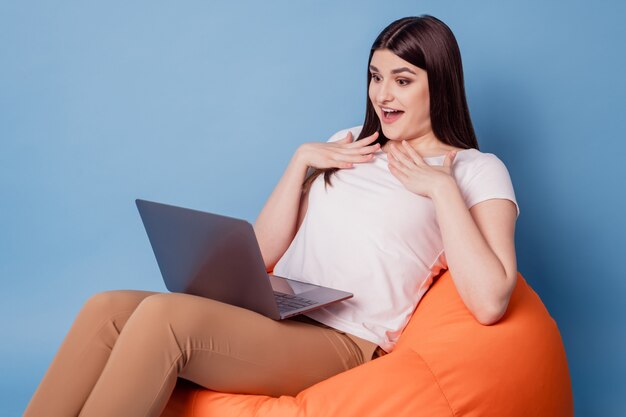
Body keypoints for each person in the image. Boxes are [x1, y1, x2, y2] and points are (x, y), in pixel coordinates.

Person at [23, 14, 519, 417]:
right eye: (375, 76)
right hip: (283, 307)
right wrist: (301, 162)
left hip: (345, 339)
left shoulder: (474, 170)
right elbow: (262, 253)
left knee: (163, 320)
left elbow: (491, 300)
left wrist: (439, 188)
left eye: (402, 80)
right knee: (106, 307)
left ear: (441, 84)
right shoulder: (351, 143)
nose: (382, 95)